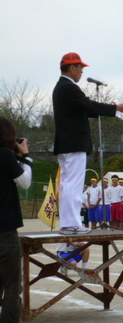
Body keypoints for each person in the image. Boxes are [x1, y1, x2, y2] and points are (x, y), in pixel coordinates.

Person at [53, 52, 123, 234]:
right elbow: (87, 105)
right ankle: (71, 224)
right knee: (73, 184)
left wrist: (110, 109)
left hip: (67, 143)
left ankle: (68, 223)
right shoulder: (68, 87)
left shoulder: (62, 87)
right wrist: (115, 108)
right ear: (72, 68)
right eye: (80, 68)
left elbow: (84, 109)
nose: (81, 72)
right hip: (74, 143)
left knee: (68, 183)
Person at [0, 117, 32, 322]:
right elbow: (25, 182)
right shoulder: (4, 154)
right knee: (12, 287)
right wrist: (25, 157)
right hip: (5, 230)